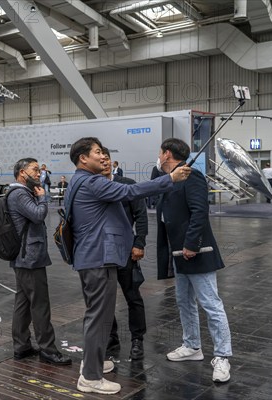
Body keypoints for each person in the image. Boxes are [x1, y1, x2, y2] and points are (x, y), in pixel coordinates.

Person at [66, 137, 191, 395]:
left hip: (93, 257)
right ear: (83, 158)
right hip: (98, 258)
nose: (103, 157)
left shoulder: (79, 181)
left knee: (96, 316)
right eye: (98, 152)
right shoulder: (92, 182)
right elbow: (130, 192)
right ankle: (90, 377)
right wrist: (169, 179)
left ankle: (94, 362)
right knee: (99, 318)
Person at [156, 138, 232, 384]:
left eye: (160, 152)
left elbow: (200, 211)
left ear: (167, 153)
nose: (158, 156)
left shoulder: (192, 177)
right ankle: (192, 346)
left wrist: (191, 244)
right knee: (184, 301)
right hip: (179, 255)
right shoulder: (172, 178)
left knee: (210, 303)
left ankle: (222, 356)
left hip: (196, 252)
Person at [8, 158, 71, 367]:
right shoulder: (19, 194)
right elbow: (38, 215)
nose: (39, 174)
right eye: (35, 170)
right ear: (22, 173)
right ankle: (48, 350)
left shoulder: (20, 193)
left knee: (23, 304)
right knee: (40, 304)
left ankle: (21, 346)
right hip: (30, 258)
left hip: (24, 257)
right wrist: (43, 198)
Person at [100, 148, 147, 361]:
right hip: (100, 253)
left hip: (126, 251)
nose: (105, 163)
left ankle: (138, 340)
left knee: (133, 297)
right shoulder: (92, 187)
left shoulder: (127, 184)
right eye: (101, 160)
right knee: (105, 299)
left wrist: (139, 243)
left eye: (107, 159)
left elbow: (141, 215)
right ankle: (111, 338)